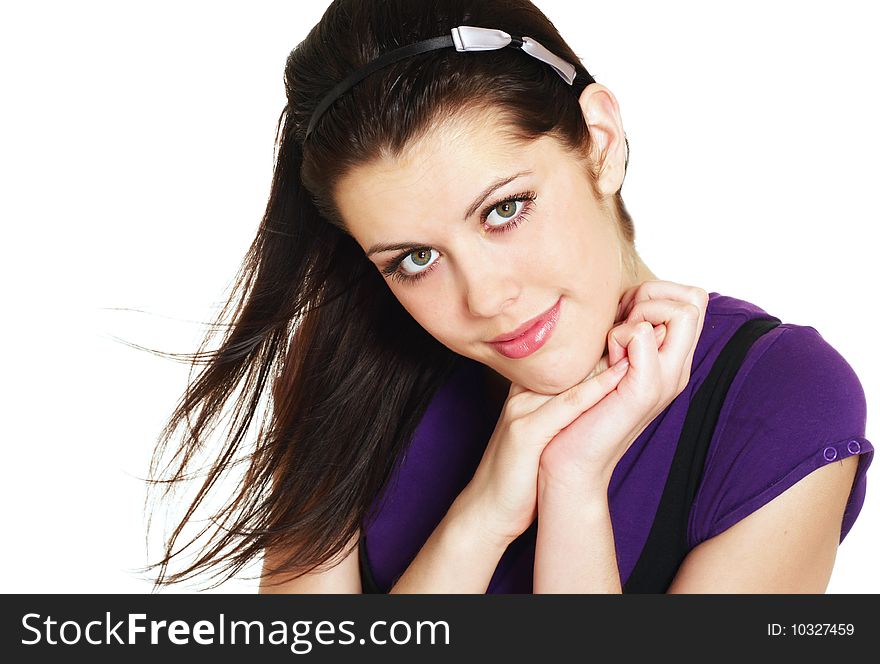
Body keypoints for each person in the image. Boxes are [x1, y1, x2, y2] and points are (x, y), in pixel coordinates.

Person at [141, 0, 873, 593]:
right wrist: (484, 514)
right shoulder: (344, 361)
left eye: (504, 210)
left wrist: (573, 484)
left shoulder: (783, 399)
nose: (488, 298)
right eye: (415, 259)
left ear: (600, 140)